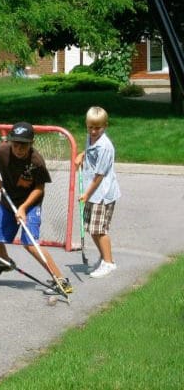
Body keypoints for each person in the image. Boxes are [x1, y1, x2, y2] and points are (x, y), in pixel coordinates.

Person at [0, 122, 73, 296]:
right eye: (15, 144)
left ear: (31, 143)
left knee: (30, 243)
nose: (18, 149)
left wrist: (24, 208)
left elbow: (40, 189)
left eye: (23, 145)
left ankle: (60, 279)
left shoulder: (36, 161)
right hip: (8, 202)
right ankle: (5, 262)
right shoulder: (2, 150)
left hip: (30, 204)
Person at [75, 106, 121, 278]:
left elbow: (99, 176)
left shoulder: (105, 147)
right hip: (91, 192)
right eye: (90, 127)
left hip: (102, 194)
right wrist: (82, 155)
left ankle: (109, 263)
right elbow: (88, 152)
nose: (93, 131)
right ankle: (104, 258)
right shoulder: (90, 138)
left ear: (105, 126)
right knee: (92, 228)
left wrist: (86, 194)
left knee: (99, 229)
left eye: (97, 128)